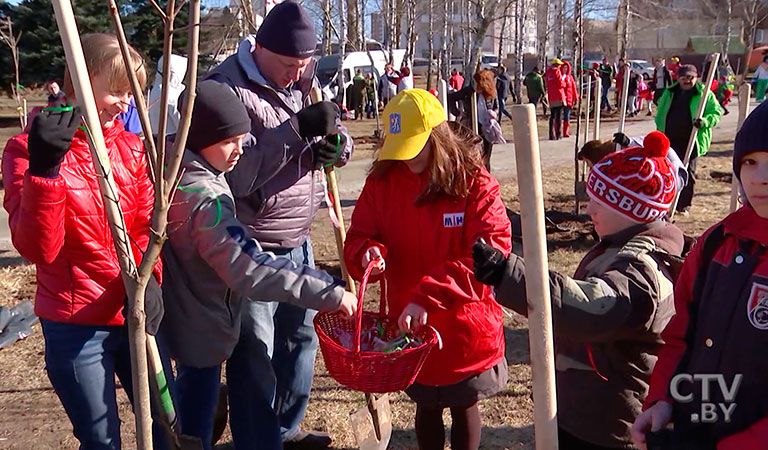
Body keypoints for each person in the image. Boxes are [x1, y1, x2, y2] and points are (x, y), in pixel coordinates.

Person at [160, 80, 358, 450]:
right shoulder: (206, 204)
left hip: (190, 324)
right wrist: (327, 291)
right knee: (192, 427)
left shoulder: (173, 170)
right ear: (201, 137)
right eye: (229, 141)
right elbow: (250, 268)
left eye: (243, 138)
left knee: (188, 415)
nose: (240, 150)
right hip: (200, 332)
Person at [1, 33, 170, 450]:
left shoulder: (133, 149)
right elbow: (39, 249)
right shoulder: (28, 150)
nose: (126, 103)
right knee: (100, 438)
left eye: (132, 93)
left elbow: (148, 226)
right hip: (74, 324)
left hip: (133, 309)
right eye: (116, 90)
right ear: (79, 81)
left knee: (168, 423)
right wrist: (44, 171)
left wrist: (153, 281)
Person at [474, 131, 685, 449]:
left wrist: (508, 273)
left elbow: (592, 309)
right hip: (587, 406)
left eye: (599, 201)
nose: (589, 210)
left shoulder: (642, 271)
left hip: (606, 423)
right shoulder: (621, 245)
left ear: (630, 210)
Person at [204, 2, 354, 448]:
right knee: (255, 354)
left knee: (300, 343)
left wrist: (336, 147)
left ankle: (286, 429)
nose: (297, 73)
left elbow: (335, 128)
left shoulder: (305, 81)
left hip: (300, 238)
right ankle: (257, 440)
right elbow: (237, 175)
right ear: (261, 48)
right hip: (252, 246)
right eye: (289, 64)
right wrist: (294, 131)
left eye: (304, 65)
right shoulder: (227, 87)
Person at [344, 89, 511, 450]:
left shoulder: (473, 183)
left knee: (463, 401)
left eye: (413, 147)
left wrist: (428, 296)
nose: (405, 159)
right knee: (425, 403)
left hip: (464, 321)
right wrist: (365, 253)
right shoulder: (383, 183)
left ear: (438, 137)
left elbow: (489, 256)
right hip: (410, 324)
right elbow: (359, 235)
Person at [631, 102, 768, 450]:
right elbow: (680, 335)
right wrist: (663, 400)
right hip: (699, 427)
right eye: (750, 162)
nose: (759, 177)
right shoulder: (719, 242)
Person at [654, 64, 723, 215]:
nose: (687, 81)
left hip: (691, 139)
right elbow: (661, 111)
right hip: (670, 138)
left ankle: (684, 204)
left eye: (690, 77)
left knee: (688, 173)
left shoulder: (704, 94)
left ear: (696, 78)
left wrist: (704, 121)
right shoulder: (670, 92)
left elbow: (716, 112)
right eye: (684, 77)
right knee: (669, 170)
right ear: (678, 79)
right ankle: (669, 201)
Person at [147, 54, 188, 137]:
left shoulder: (158, 88)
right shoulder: (167, 92)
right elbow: (181, 122)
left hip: (159, 137)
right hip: (170, 139)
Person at [474, 69, 503, 169]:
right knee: (477, 155)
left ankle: (487, 174)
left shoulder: (491, 94)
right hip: (476, 126)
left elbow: (497, 107)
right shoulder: (474, 94)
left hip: (488, 127)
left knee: (486, 156)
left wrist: (494, 114)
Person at [545, 58, 567, 140]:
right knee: (559, 116)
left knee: (552, 116)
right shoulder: (556, 71)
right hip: (558, 96)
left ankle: (551, 134)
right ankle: (558, 134)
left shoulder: (548, 72)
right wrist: (564, 83)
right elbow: (560, 83)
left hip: (551, 97)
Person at [561, 61, 579, 138]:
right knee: (558, 116)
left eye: (566, 68)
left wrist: (575, 98)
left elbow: (573, 88)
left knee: (566, 116)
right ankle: (557, 131)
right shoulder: (560, 77)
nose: (565, 69)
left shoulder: (570, 78)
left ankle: (565, 132)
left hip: (569, 99)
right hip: (561, 99)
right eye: (564, 67)